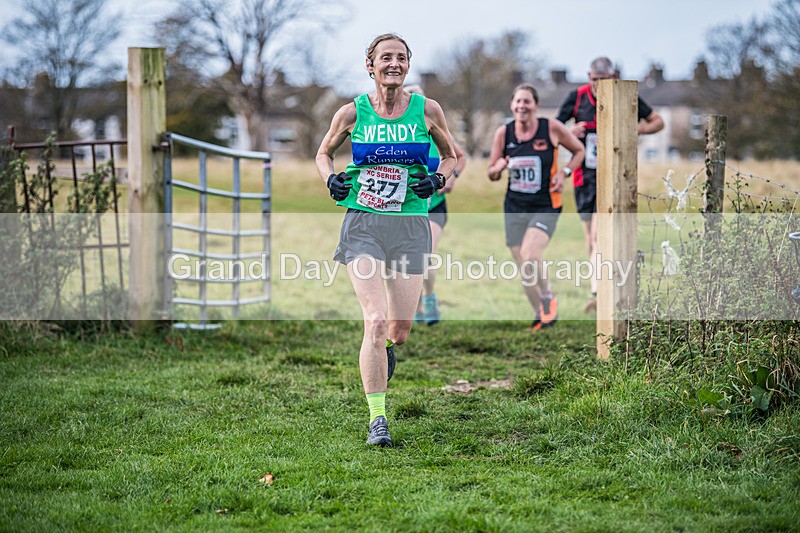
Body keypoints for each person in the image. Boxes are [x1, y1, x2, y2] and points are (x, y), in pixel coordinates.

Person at [315, 34, 457, 447]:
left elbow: (452, 155)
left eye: (400, 58)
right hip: (364, 222)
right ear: (370, 65)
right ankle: (378, 419)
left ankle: (385, 352)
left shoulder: (426, 110)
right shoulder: (352, 112)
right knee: (374, 321)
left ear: (407, 66)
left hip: (411, 223)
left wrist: (439, 178)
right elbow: (323, 153)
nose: (393, 64)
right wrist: (331, 180)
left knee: (398, 329)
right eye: (385, 57)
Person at [556, 56, 664, 312]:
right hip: (585, 177)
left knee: (600, 233)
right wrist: (571, 133)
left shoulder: (625, 95)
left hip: (616, 176)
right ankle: (599, 286)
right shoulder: (577, 97)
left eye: (605, 80)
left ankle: (601, 290)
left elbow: (658, 122)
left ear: (614, 77)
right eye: (595, 80)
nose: (599, 85)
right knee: (591, 238)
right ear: (588, 77)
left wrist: (636, 130)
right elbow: (554, 129)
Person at [487, 84, 584, 331]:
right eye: (518, 101)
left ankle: (548, 296)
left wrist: (564, 173)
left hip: (545, 204)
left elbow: (579, 151)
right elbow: (491, 172)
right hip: (514, 206)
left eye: (527, 101)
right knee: (524, 268)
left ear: (536, 106)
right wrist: (498, 168)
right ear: (512, 105)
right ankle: (540, 316)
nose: (522, 106)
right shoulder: (504, 133)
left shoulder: (550, 128)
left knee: (531, 256)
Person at [404, 84, 468, 325]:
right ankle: (416, 306)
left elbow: (459, 156)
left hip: (434, 207)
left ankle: (429, 299)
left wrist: (451, 178)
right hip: (407, 209)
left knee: (425, 254)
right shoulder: (400, 136)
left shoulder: (437, 131)